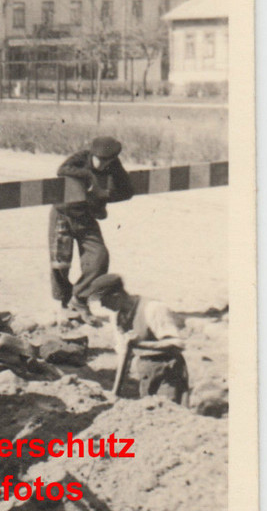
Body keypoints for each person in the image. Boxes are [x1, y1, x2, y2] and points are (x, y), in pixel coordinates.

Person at [49, 136, 134, 314]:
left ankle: (79, 299)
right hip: (63, 213)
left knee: (99, 258)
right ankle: (63, 305)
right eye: (99, 160)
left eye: (107, 161)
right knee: (60, 264)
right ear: (93, 154)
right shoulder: (81, 157)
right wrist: (89, 176)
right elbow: (62, 169)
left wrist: (104, 195)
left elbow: (127, 190)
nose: (103, 165)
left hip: (87, 216)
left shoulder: (114, 165)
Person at [87, 273, 190, 404]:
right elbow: (124, 353)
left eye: (103, 301)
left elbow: (177, 344)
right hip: (145, 371)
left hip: (169, 371)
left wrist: (141, 344)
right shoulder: (116, 317)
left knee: (169, 413)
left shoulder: (153, 308)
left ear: (116, 296)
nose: (102, 306)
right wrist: (115, 391)